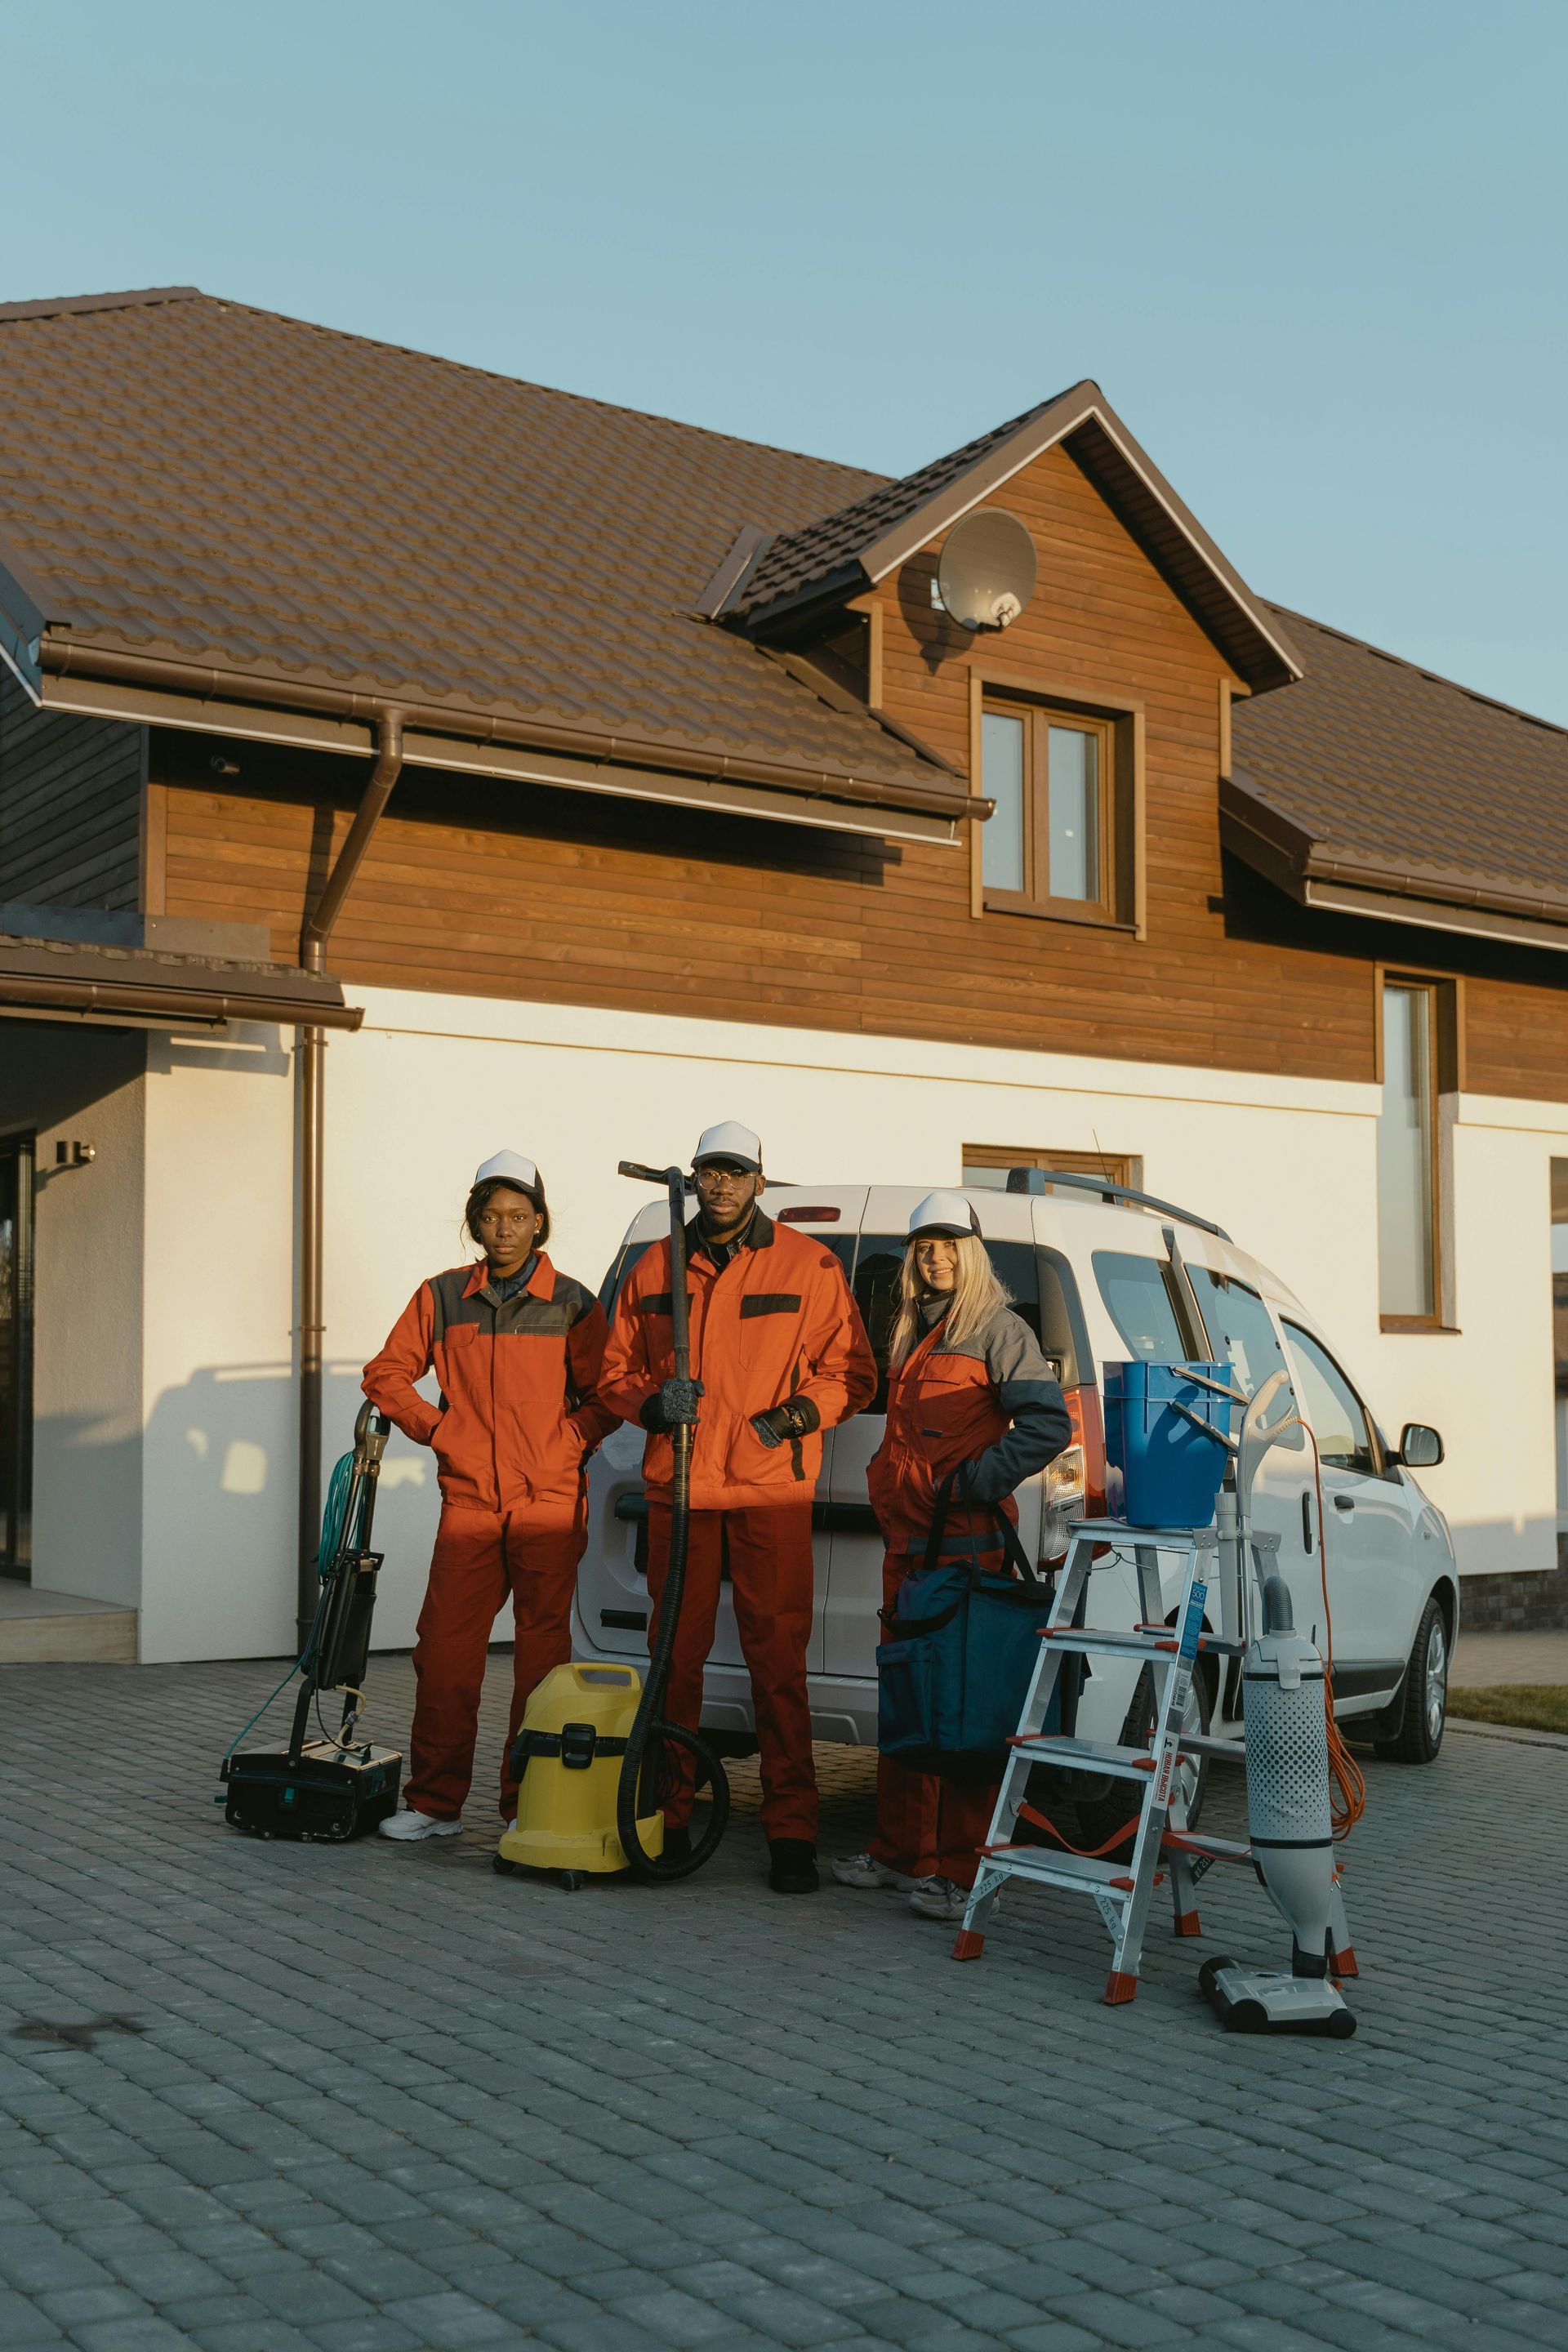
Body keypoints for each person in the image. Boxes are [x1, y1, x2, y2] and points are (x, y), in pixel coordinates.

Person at [599, 1121, 876, 1894]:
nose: (720, 1185)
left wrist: (797, 1415)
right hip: (682, 1488)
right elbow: (609, 1370)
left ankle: (792, 1829)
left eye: (734, 1172)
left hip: (767, 1488)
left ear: (760, 1180)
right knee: (673, 1662)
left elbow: (851, 1372)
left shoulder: (807, 1263)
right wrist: (652, 1404)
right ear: (693, 1178)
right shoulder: (659, 1263)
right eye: (708, 1172)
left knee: (777, 1662)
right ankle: (668, 1814)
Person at [833, 1190, 1072, 1923]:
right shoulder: (914, 1332)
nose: (933, 1258)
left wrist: (979, 1480)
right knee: (907, 1704)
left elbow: (1046, 1422)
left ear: (971, 1254)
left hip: (967, 1555)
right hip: (909, 1549)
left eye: (946, 1245)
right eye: (923, 1247)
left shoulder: (996, 1330)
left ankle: (963, 1870)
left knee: (963, 1715)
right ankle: (901, 1852)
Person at [363, 1150, 616, 1840]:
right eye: (491, 1216)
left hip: (549, 1502)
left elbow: (611, 1392)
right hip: (470, 1503)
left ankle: (526, 1808)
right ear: (474, 1221)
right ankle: (435, 1804)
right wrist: (441, 1431)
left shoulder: (573, 1301)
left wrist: (569, 1443)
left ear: (540, 1223)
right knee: (444, 1651)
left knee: (540, 1663)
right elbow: (385, 1373)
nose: (504, 1228)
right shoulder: (443, 1296)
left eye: (518, 1216)